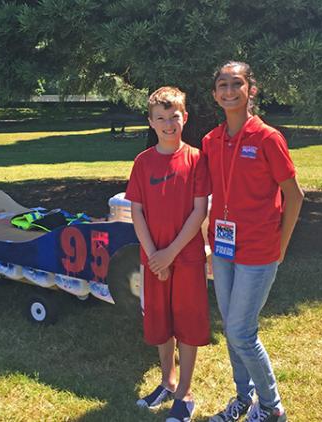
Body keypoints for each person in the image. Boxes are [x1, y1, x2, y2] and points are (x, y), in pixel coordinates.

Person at [203, 62, 304, 422]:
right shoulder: (211, 141)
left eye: (237, 84)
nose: (229, 91)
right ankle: (243, 400)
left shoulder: (267, 138)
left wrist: (282, 246)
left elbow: (294, 196)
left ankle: (272, 406)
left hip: (259, 251)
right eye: (222, 85)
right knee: (232, 329)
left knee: (241, 330)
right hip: (224, 248)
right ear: (215, 94)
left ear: (251, 90)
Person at [125, 86, 211, 422]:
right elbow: (136, 212)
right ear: (151, 122)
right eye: (160, 118)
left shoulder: (196, 159)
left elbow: (199, 211)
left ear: (184, 117)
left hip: (185, 259)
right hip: (154, 261)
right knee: (161, 325)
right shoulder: (142, 162)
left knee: (187, 325)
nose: (167, 124)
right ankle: (168, 381)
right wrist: (153, 255)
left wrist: (170, 254)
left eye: (173, 116)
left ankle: (185, 394)